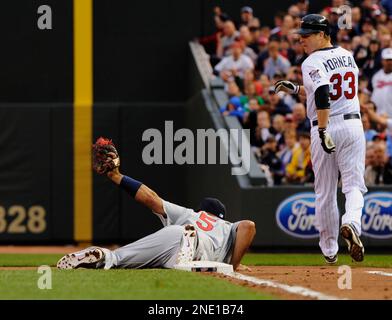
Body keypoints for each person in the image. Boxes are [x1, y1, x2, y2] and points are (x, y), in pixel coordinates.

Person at [57, 139, 256, 271]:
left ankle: (102, 255)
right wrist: (234, 265)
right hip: (197, 246)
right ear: (221, 216)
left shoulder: (191, 214)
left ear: (202, 211)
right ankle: (188, 246)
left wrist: (116, 175)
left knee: (117, 259)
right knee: (187, 253)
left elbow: (151, 198)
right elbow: (248, 226)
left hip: (176, 233)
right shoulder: (227, 227)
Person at [274, 14, 366, 264]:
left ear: (324, 34)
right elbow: (329, 90)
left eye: (308, 34)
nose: (302, 39)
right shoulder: (347, 55)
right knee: (354, 186)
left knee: (325, 192)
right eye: (301, 35)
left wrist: (324, 130)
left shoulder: (312, 60)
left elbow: (325, 93)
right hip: (354, 125)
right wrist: (296, 89)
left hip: (325, 126)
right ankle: (352, 223)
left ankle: (329, 250)